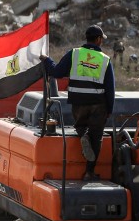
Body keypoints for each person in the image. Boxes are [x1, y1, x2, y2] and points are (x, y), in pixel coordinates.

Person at [44, 25, 116, 181]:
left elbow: (56, 72)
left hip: (79, 102)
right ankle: (89, 172)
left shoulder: (74, 54)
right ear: (98, 40)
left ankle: (83, 134)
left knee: (81, 126)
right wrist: (110, 108)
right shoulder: (104, 59)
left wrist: (47, 60)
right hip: (98, 103)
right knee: (96, 137)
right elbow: (110, 88)